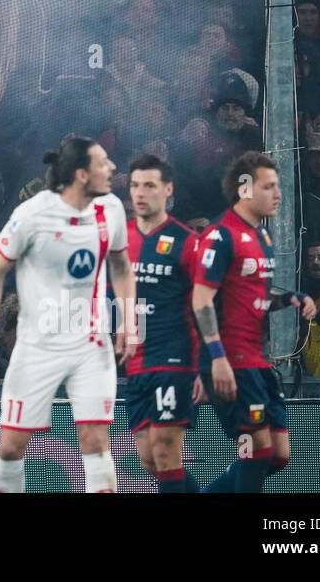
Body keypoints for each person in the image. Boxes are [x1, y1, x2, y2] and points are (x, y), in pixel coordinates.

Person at [0, 137, 136, 494]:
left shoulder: (110, 209)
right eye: (103, 163)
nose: (112, 168)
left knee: (95, 441)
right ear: (81, 174)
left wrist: (128, 320)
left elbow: (122, 266)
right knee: (12, 446)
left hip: (91, 344)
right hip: (38, 347)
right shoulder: (32, 215)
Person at [193, 152, 316, 493]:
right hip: (230, 361)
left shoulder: (262, 238)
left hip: (257, 362)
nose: (278, 194)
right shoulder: (220, 236)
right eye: (269, 186)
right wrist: (216, 358)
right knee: (255, 447)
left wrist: (290, 298)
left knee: (278, 454)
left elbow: (256, 300)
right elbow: (200, 299)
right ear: (245, 188)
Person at [124, 154, 204, 493]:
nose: (140, 193)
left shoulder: (186, 241)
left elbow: (205, 304)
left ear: (168, 190)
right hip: (136, 361)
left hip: (175, 358)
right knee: (149, 459)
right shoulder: (120, 239)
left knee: (166, 452)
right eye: (135, 185)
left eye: (150, 185)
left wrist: (205, 365)